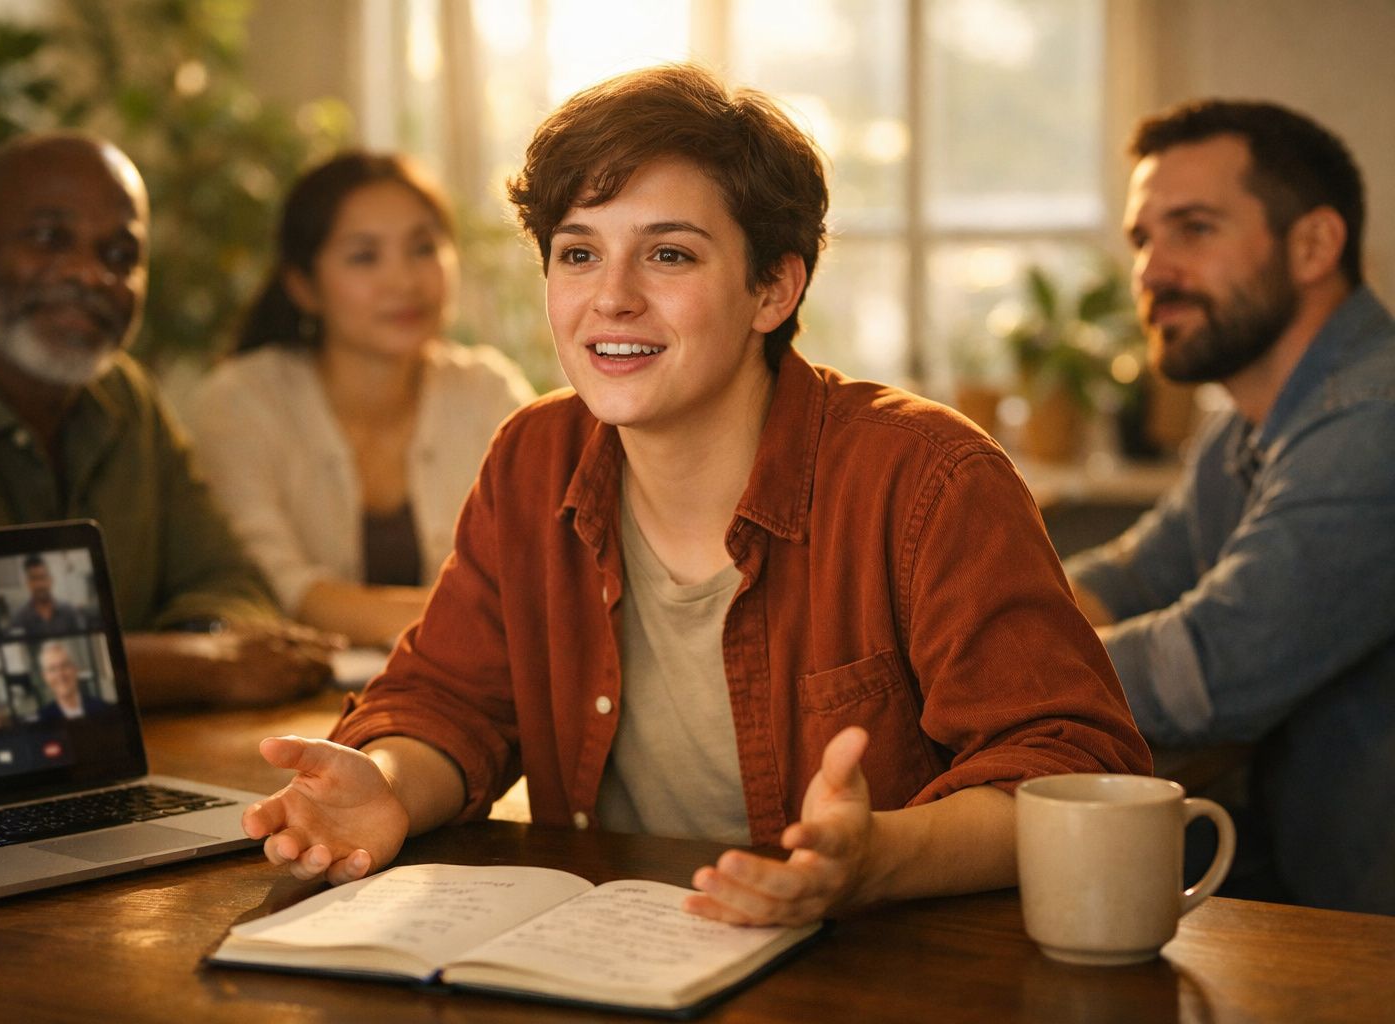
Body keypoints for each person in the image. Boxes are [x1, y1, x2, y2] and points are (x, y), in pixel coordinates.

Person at [242, 64, 1149, 927]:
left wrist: (875, 858)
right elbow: (451, 702)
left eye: (668, 254)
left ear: (773, 288)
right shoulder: (534, 455)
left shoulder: (928, 477)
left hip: (881, 974)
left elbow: (1071, 764)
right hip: (612, 964)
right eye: (578, 253)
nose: (612, 299)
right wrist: (388, 785)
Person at [0, 132, 340, 708]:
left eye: (120, 255)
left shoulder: (126, 397)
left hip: (133, 763)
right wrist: (193, 669)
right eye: (49, 239)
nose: (90, 275)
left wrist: (201, 644)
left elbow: (230, 583)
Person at [1065, 100, 1395, 915]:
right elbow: (1131, 574)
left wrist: (987, 666)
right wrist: (957, 616)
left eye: (1195, 229)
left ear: (1314, 245)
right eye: (1144, 237)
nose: (1151, 269)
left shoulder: (1379, 416)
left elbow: (1211, 668)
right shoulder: (1239, 430)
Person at [188, 152, 535, 647]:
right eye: (364, 256)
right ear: (303, 287)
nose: (404, 281)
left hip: (469, 698)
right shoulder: (240, 403)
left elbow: (539, 577)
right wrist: (472, 623)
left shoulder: (487, 391)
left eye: (423, 248)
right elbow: (277, 588)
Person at [9, 555, 86, 636]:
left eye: (43, 577)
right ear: (28, 583)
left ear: (50, 580)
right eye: (34, 578)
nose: (40, 584)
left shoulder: (69, 611)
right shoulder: (19, 618)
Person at [34, 640, 108, 722]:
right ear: (45, 677)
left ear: (75, 669)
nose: (60, 675)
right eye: (52, 669)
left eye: (64, 665)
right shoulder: (41, 719)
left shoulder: (103, 709)